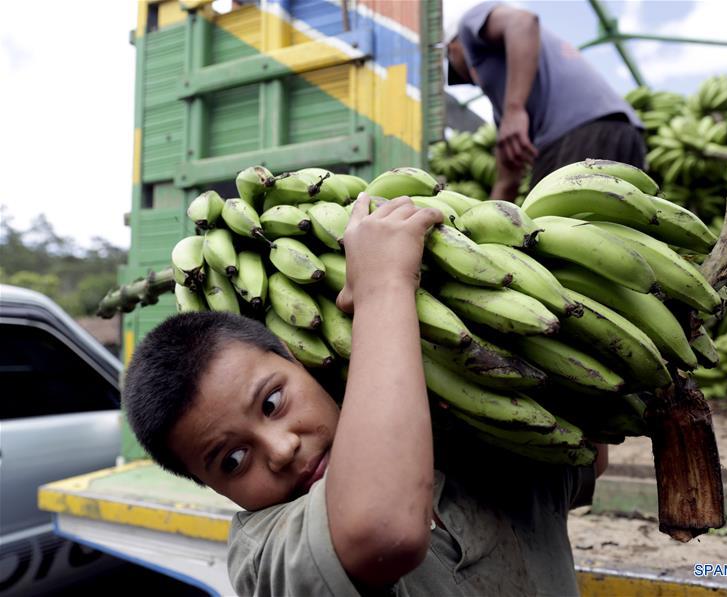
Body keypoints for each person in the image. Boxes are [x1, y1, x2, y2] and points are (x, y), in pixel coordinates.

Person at [123, 194, 609, 596]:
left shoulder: (471, 446)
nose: (282, 449)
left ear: (302, 362)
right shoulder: (268, 556)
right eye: (232, 460)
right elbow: (384, 530)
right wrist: (382, 286)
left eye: (272, 403)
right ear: (211, 487)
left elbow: (587, 449)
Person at [445, 2, 646, 200]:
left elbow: (523, 21)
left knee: (556, 227)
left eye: (456, 69)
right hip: (620, 131)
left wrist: (514, 109)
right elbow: (507, 181)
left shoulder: (468, 24)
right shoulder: (506, 114)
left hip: (582, 133)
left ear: (453, 48)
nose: (470, 81)